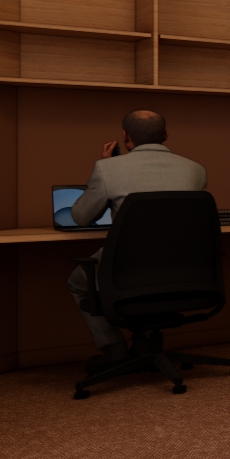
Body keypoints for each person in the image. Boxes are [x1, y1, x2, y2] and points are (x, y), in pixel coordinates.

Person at [67, 111, 208, 352]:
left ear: (125, 136)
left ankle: (113, 347)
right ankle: (143, 341)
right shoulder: (196, 169)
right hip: (182, 268)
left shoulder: (106, 168)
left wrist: (108, 165)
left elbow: (81, 218)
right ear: (165, 135)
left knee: (78, 283)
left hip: (126, 268)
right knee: (148, 278)